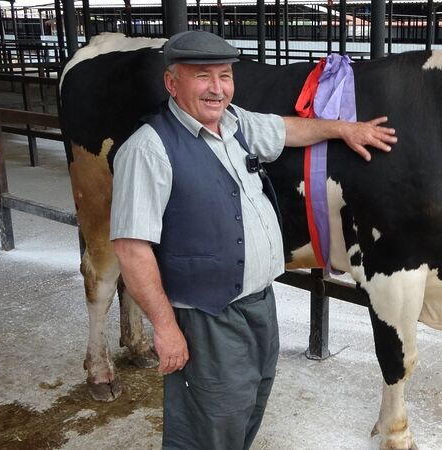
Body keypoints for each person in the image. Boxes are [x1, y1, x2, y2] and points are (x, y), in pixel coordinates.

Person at [110, 30, 397, 449]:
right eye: (202, 76)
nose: (217, 88)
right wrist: (165, 327)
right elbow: (131, 249)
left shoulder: (235, 122)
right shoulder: (149, 149)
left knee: (249, 405)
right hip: (206, 316)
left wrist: (343, 128)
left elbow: (287, 129)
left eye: (224, 75)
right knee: (209, 424)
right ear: (172, 83)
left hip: (258, 304)